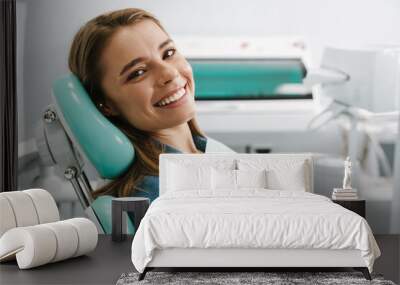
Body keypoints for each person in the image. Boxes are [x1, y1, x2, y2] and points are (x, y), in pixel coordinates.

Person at [68, 8, 234, 202]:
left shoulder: (210, 153)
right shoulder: (152, 196)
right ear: (106, 105)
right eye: (138, 72)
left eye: (168, 53)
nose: (170, 73)